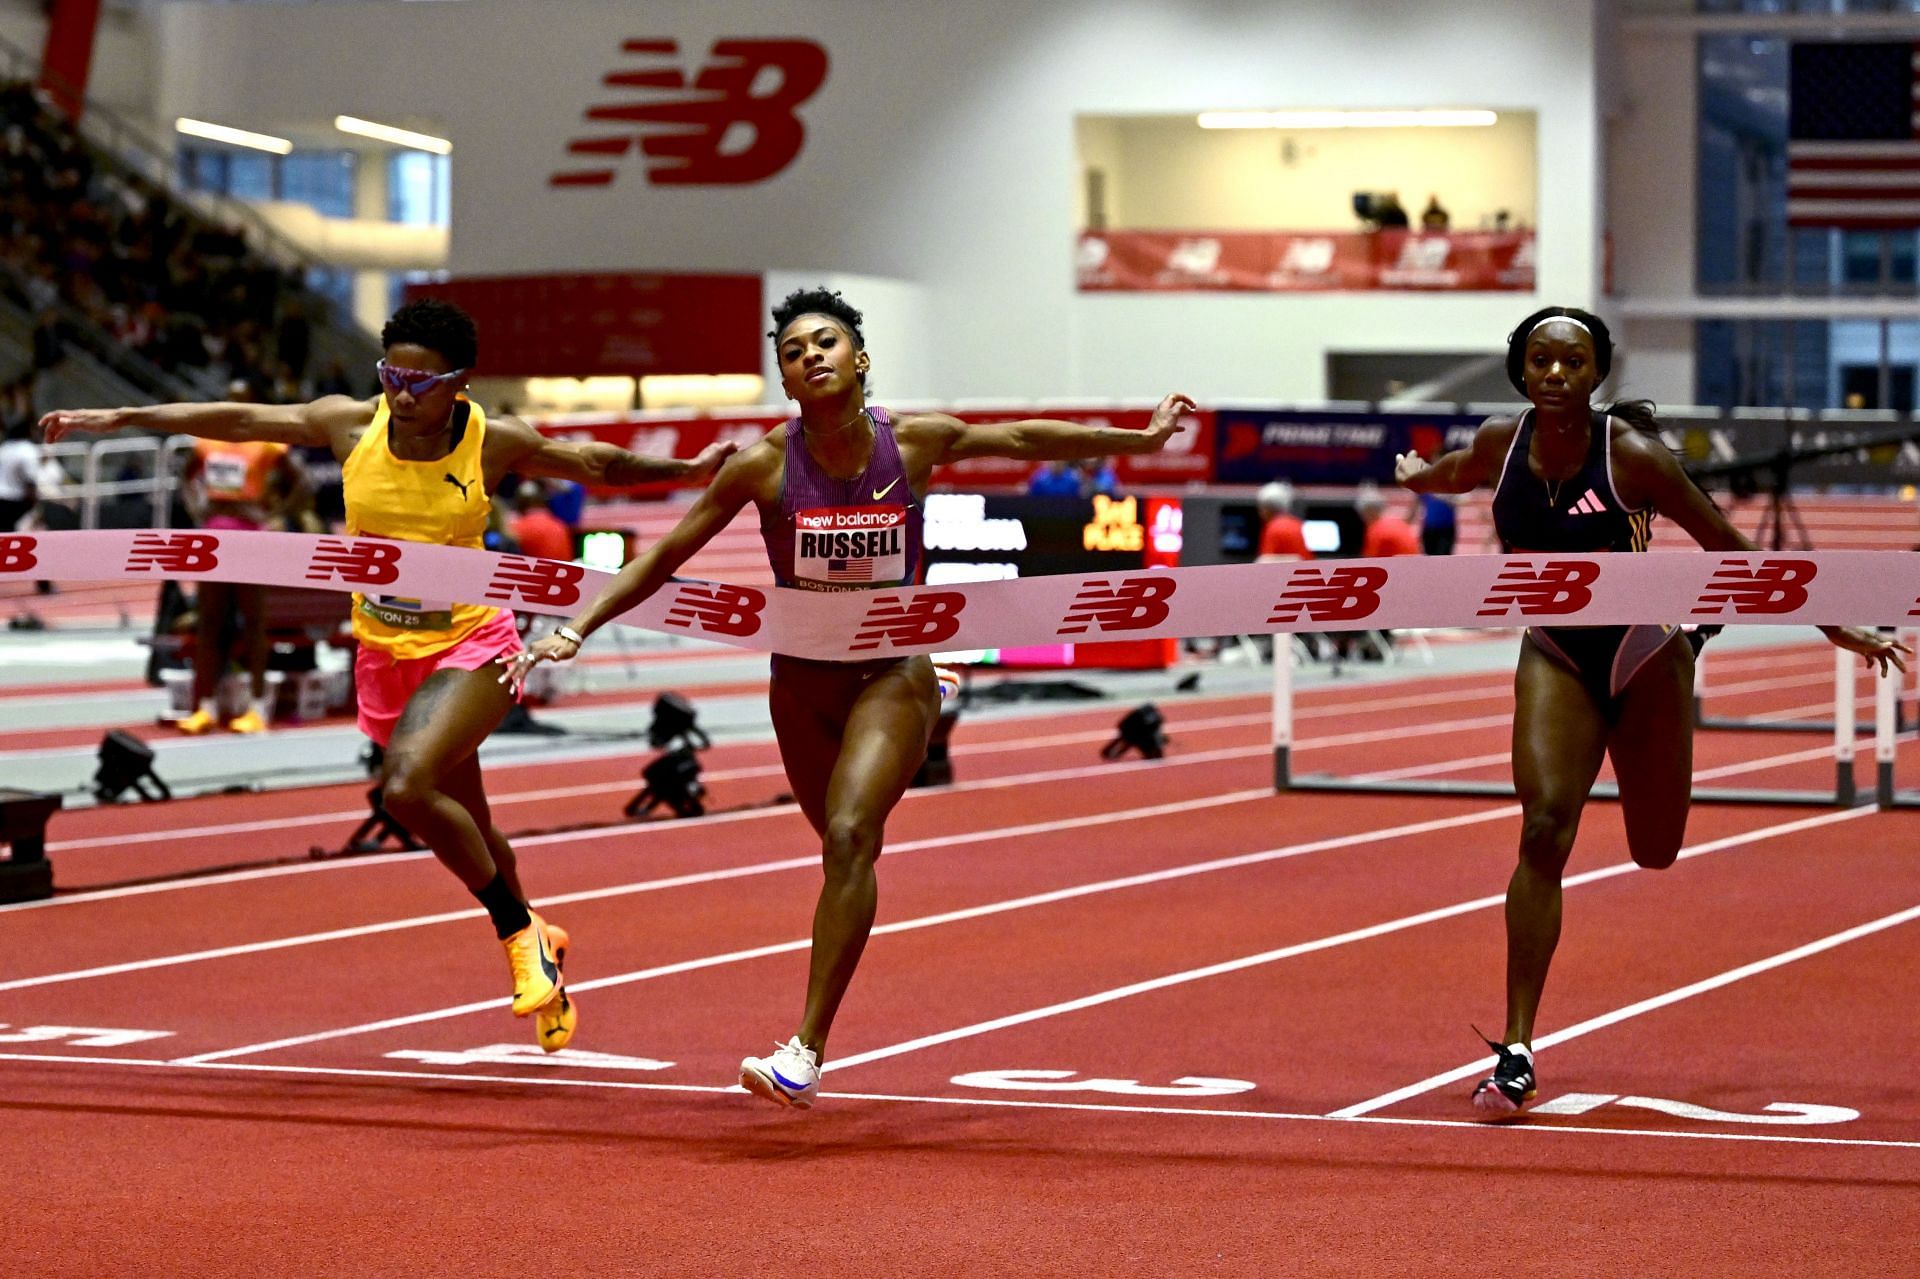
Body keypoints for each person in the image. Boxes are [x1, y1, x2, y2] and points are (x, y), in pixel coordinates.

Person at [505, 287, 1194, 1109]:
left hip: (890, 668)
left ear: (859, 359)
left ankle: (805, 1049)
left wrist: (1137, 437)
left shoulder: (915, 444)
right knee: (838, 851)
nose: (812, 356)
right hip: (800, 680)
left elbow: (1020, 435)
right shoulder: (763, 465)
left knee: (850, 831)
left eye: (825, 342)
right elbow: (664, 557)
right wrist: (575, 627)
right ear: (787, 381)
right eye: (794, 351)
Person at [42, 297, 735, 1053]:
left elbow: (598, 463)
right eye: (392, 375)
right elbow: (239, 420)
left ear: (460, 384)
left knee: (405, 787)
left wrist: (691, 469)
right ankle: (543, 937)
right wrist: (118, 420)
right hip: (384, 651)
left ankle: (516, 933)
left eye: (422, 382)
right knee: (469, 819)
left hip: (474, 642)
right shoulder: (350, 423)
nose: (403, 394)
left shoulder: (490, 441)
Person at [1393, 305, 1906, 1116]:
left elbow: (1730, 549)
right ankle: (1518, 1049)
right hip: (1555, 653)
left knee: (1656, 848)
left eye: (1572, 362)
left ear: (1598, 373)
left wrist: (1832, 621)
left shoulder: (1630, 456)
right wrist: (1418, 475)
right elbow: (1456, 470)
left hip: (1640, 656)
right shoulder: (1501, 445)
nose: (1556, 374)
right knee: (1542, 827)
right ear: (1520, 370)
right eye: (1540, 361)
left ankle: (1692, 638)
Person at [175, 377, 310, 734]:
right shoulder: (206, 443)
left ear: (253, 403)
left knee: (254, 625)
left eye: (241, 399)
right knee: (209, 625)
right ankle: (203, 707)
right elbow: (185, 478)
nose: (234, 405)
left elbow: (301, 482)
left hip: (251, 536)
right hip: (213, 537)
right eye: (229, 398)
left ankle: (256, 707)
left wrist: (276, 512)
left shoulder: (267, 444)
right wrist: (197, 509)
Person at [1254, 480, 1312, 562]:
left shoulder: (1273, 528)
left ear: (1267, 508)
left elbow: (1266, 563)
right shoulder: (1297, 524)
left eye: (1261, 508)